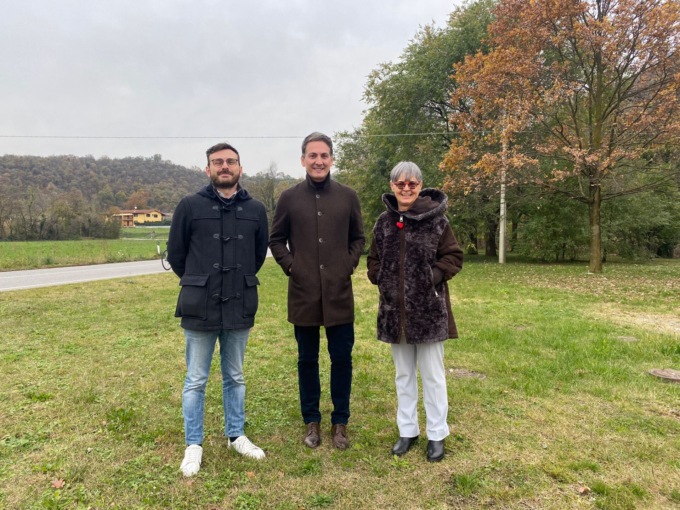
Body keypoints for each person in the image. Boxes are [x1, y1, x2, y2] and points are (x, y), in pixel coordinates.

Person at [167, 142, 269, 477]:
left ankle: (236, 435)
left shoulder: (256, 209)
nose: (225, 166)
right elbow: (177, 254)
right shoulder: (189, 206)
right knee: (196, 379)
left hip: (239, 302)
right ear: (207, 168)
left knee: (235, 376)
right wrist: (200, 282)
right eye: (218, 162)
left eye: (230, 161)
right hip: (200, 305)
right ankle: (193, 444)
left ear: (240, 167)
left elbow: (257, 256)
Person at [269, 132, 365, 450]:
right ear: (303, 160)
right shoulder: (289, 198)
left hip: (339, 293)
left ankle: (340, 422)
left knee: (342, 359)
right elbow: (276, 239)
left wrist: (346, 265)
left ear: (332, 159)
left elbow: (358, 239)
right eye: (313, 155)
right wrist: (293, 267)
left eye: (324, 155)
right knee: (307, 360)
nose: (319, 161)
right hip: (303, 293)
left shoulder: (348, 197)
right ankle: (311, 419)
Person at [366, 161, 463, 462]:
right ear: (392, 186)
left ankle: (437, 434)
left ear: (420, 186)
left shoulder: (437, 222)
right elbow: (373, 259)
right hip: (394, 313)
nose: (406, 188)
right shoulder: (384, 223)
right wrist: (381, 278)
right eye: (400, 183)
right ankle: (407, 431)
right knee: (404, 374)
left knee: (433, 376)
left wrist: (431, 277)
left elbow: (453, 256)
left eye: (412, 183)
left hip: (428, 311)